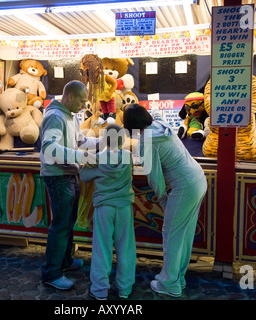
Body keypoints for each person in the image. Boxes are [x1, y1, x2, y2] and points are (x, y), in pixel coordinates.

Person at [123, 103, 207, 298]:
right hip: (197, 179)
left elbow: (155, 177)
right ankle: (179, 277)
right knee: (183, 233)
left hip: (184, 187)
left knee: (172, 233)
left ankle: (169, 283)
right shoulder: (160, 125)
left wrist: (162, 199)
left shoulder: (147, 141)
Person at [39, 80, 99, 290]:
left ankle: (65, 260)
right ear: (70, 97)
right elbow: (49, 149)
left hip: (69, 175)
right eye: (82, 101)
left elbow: (80, 141)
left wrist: (101, 143)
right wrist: (82, 156)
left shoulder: (69, 115)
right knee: (61, 225)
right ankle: (51, 273)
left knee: (68, 221)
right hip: (57, 177)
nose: (84, 106)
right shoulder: (55, 116)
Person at [79, 124, 136, 300]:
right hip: (124, 207)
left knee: (101, 248)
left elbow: (83, 176)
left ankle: (100, 290)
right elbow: (131, 174)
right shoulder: (128, 156)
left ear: (104, 140)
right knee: (125, 248)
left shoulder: (97, 158)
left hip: (104, 208)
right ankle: (125, 289)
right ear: (123, 140)